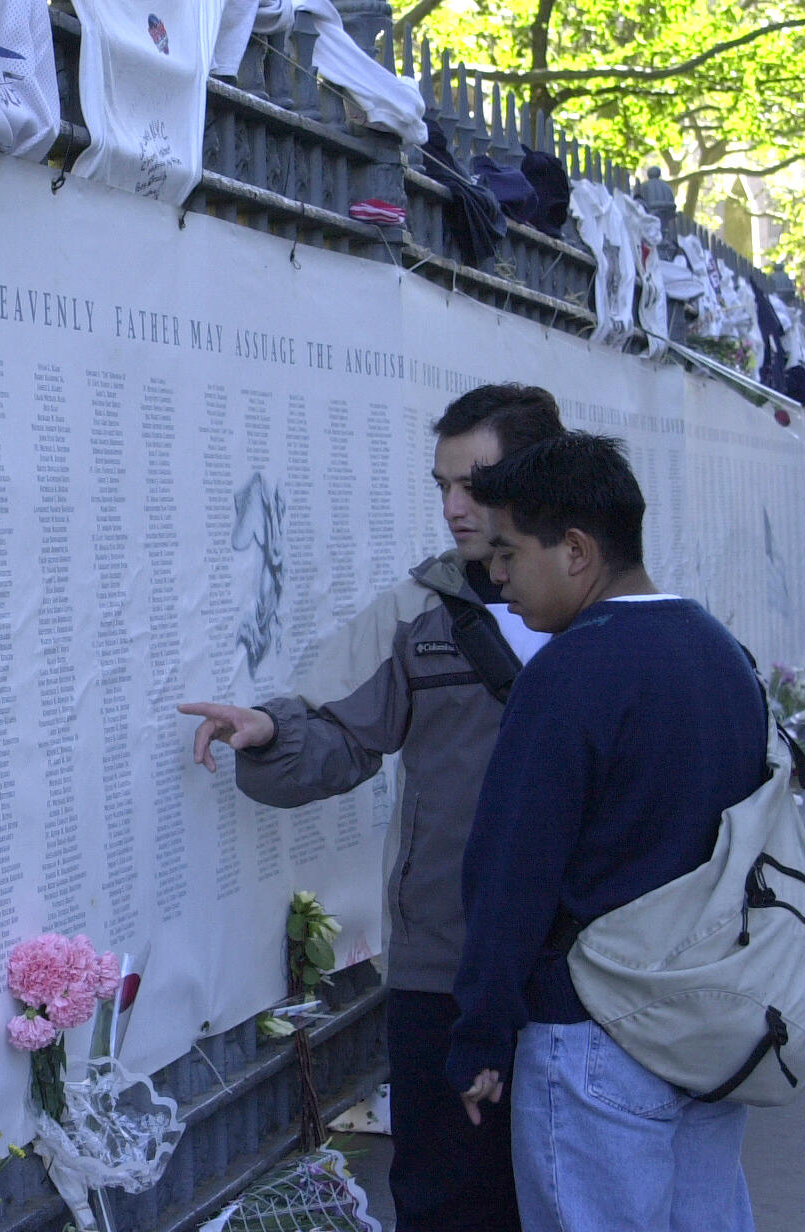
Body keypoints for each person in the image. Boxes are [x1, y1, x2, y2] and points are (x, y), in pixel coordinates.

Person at [180, 383, 565, 1232]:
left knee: (577, 1198)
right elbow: (336, 732)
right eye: (441, 485)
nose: (455, 506)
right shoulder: (417, 613)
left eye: (476, 482)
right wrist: (267, 731)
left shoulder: (604, 610)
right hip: (445, 969)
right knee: (446, 1200)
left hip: (584, 970)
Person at [448, 433, 766, 1232]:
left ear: (578, 551)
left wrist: (482, 1030)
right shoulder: (719, 651)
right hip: (708, 1024)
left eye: (509, 553)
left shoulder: (568, 671)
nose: (496, 577)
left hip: (593, 1036)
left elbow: (512, 868)